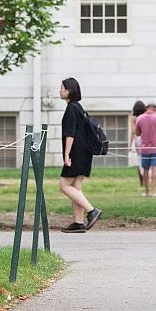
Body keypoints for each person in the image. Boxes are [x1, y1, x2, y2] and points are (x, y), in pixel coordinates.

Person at [59, 77, 102, 233]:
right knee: (76, 186)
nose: (60, 90)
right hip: (85, 153)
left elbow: (70, 134)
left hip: (76, 153)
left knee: (63, 185)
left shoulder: (71, 108)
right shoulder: (79, 108)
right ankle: (78, 223)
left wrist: (66, 154)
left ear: (69, 91)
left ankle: (92, 211)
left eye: (62, 88)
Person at [135, 100, 156, 197]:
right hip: (155, 148)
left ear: (147, 108)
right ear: (154, 109)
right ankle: (153, 192)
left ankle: (147, 192)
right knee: (154, 169)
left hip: (144, 148)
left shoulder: (140, 118)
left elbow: (137, 133)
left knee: (145, 169)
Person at [130, 100, 147, 188]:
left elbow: (133, 132)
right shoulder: (145, 116)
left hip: (138, 139)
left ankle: (142, 183)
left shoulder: (133, 118)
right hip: (146, 139)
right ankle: (148, 181)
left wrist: (130, 144)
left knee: (140, 160)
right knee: (147, 159)